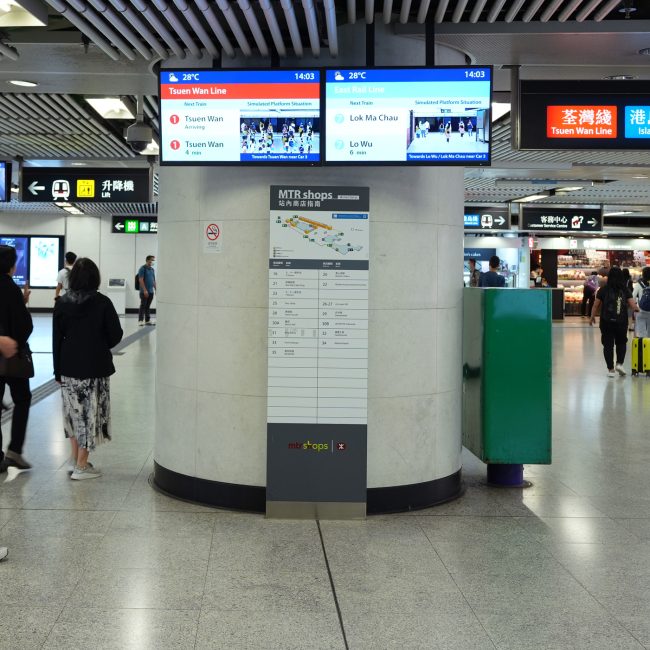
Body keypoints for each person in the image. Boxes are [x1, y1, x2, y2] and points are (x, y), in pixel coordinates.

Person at [53, 258, 123, 480]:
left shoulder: (63, 302)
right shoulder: (102, 302)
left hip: (69, 366)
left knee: (74, 414)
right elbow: (115, 335)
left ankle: (76, 460)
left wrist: (57, 371)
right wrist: (99, 342)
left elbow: (57, 339)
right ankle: (81, 466)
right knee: (90, 414)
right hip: (95, 366)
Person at [0, 245, 33, 473]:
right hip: (11, 358)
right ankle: (14, 450)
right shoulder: (10, 288)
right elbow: (24, 325)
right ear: (12, 266)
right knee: (22, 398)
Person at [590, 266, 639, 378]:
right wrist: (639, 309)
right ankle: (619, 364)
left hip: (606, 322)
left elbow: (595, 305)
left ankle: (610, 369)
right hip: (621, 322)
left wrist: (592, 317)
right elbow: (633, 306)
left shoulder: (603, 289)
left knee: (608, 345)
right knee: (621, 343)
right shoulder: (625, 289)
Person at [137, 255, 157, 326]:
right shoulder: (142, 268)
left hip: (151, 291)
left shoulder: (152, 269)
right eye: (152, 260)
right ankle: (140, 320)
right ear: (148, 260)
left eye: (153, 260)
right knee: (143, 305)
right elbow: (141, 280)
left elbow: (153, 281)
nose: (153, 262)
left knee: (148, 306)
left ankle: (147, 320)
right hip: (144, 292)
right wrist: (145, 290)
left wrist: (156, 289)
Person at [633, 266, 650, 338]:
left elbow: (633, 297)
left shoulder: (638, 284)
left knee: (640, 333)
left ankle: (642, 347)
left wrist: (635, 309)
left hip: (641, 311)